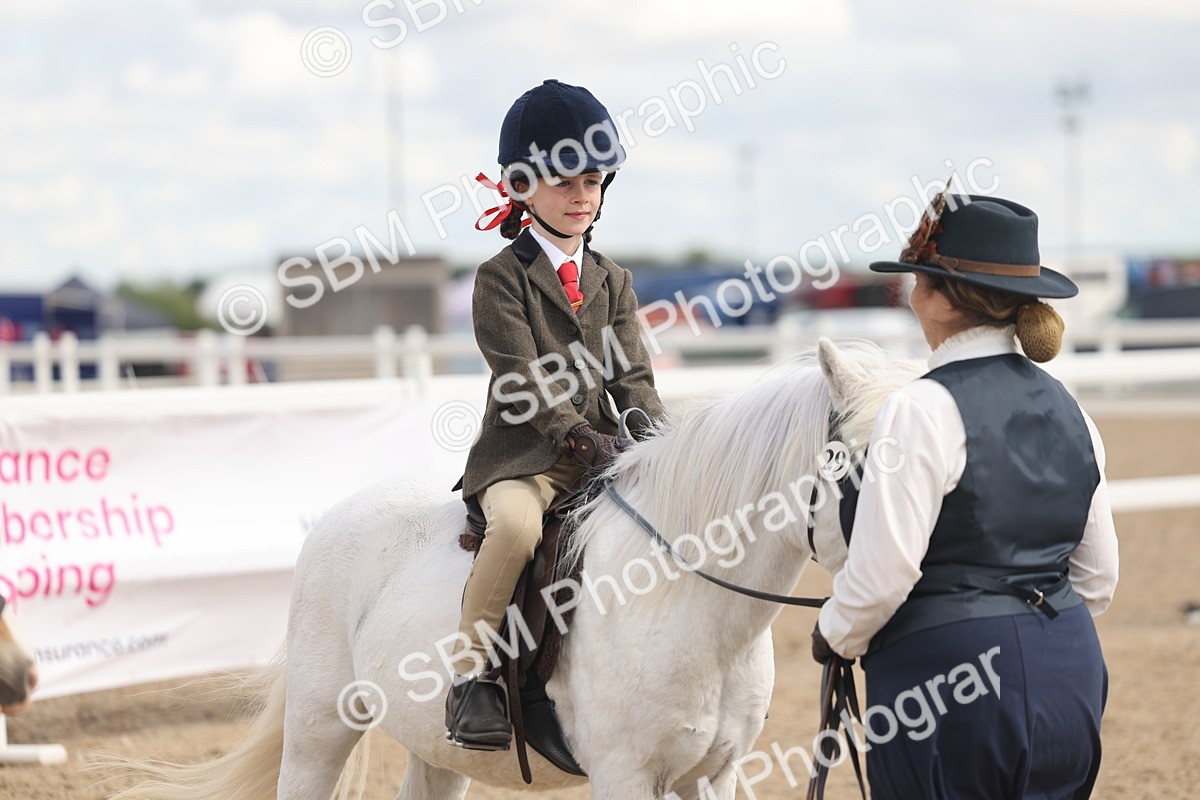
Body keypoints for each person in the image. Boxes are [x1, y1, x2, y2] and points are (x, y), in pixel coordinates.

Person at [811, 193, 1119, 798]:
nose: (910, 294)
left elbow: (882, 576)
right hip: (1071, 670)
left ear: (941, 298)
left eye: (918, 279)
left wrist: (834, 634)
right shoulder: (1073, 410)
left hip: (948, 680)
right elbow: (1099, 578)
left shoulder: (919, 408)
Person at [446, 79, 667, 750]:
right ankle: (471, 679)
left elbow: (633, 375)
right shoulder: (499, 278)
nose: (581, 198)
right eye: (565, 183)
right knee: (514, 529)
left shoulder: (615, 281)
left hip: (605, 452)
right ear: (522, 187)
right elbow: (522, 379)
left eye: (593, 183)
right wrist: (576, 432)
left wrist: (662, 442)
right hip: (527, 457)